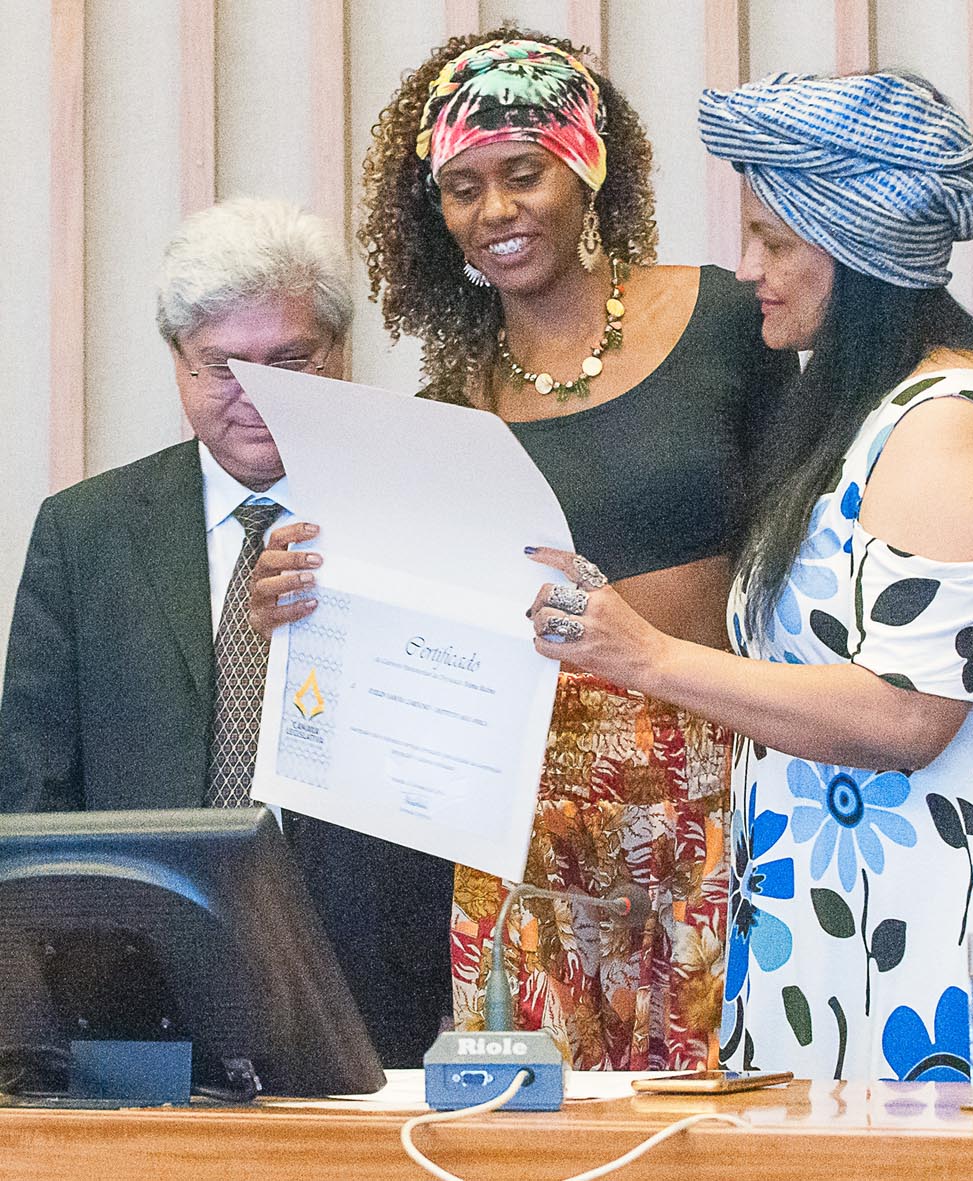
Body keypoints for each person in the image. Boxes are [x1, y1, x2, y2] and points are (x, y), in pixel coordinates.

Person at [520, 70, 973, 1082]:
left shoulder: (951, 426)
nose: (749, 269)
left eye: (776, 242)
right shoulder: (868, 414)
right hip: (830, 920)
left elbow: (903, 716)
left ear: (861, 252)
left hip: (950, 931)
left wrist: (647, 656)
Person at [251, 31, 793, 1070]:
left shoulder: (724, 318)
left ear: (587, 169)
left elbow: (807, 547)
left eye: (522, 174)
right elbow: (413, 626)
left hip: (718, 790)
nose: (494, 209)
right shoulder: (450, 406)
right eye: (462, 189)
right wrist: (301, 601)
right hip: (521, 825)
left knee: (719, 1105)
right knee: (538, 1120)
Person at [0, 197, 454, 1066]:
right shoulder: (86, 534)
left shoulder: (419, 518)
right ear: (178, 360)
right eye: (222, 367)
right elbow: (33, 793)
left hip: (375, 989)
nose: (257, 397)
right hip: (129, 993)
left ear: (339, 353)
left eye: (290, 361)